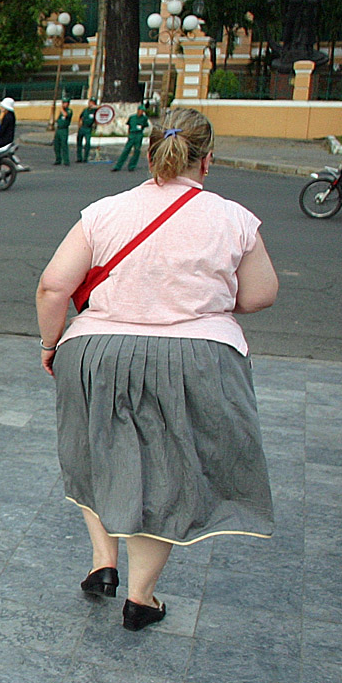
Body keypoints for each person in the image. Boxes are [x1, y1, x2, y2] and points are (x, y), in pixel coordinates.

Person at [35, 107, 278, 631]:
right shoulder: (233, 217)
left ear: (151, 154)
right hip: (195, 359)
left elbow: (54, 286)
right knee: (165, 475)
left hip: (96, 351)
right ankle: (142, 598)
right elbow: (261, 294)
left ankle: (104, 563)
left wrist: (49, 344)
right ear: (208, 161)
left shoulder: (104, 211)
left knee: (97, 454)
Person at [112, 103, 150, 172]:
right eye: (140, 110)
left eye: (143, 111)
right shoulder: (132, 117)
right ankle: (118, 166)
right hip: (132, 134)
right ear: (138, 110)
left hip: (139, 135)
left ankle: (132, 166)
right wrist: (129, 134)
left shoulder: (144, 118)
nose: (141, 112)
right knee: (126, 150)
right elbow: (129, 126)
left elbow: (145, 126)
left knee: (137, 150)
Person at [77, 97, 98, 163]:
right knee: (79, 143)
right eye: (90, 102)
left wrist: (95, 107)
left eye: (92, 103)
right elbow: (80, 117)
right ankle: (79, 157)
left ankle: (85, 158)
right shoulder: (85, 110)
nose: (91, 104)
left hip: (88, 128)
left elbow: (101, 109)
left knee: (87, 143)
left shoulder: (95, 111)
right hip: (82, 127)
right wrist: (79, 125)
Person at [53, 97, 72, 167]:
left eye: (65, 103)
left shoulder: (69, 111)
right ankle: (58, 159)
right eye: (63, 103)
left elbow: (66, 115)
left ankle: (66, 160)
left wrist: (62, 109)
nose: (64, 104)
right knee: (56, 145)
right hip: (59, 129)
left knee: (64, 145)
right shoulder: (61, 112)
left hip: (64, 130)